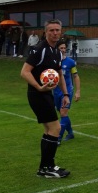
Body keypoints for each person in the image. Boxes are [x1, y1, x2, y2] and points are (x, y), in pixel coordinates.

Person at [20, 19, 71, 178]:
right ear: (46, 32)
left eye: (57, 30)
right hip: (37, 94)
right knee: (55, 129)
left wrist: (66, 94)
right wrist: (38, 86)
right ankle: (48, 167)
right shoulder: (40, 49)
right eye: (52, 30)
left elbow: (60, 74)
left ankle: (45, 167)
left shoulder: (57, 52)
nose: (55, 33)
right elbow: (25, 72)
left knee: (49, 130)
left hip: (46, 94)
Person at [55, 40, 81, 144]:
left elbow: (76, 76)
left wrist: (78, 91)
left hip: (68, 91)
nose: (63, 50)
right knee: (62, 114)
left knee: (63, 112)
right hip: (56, 91)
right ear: (57, 49)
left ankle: (58, 138)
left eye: (64, 48)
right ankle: (70, 133)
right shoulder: (53, 62)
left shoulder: (70, 62)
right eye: (61, 48)